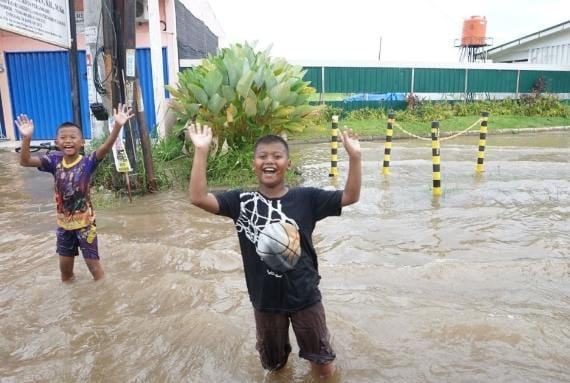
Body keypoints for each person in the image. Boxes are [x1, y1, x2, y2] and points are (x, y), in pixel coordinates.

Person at [187, 122, 361, 378]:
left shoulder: (307, 198)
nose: (270, 161)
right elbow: (198, 197)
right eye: (263, 156)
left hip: (305, 297)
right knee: (274, 368)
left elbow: (350, 196)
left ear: (288, 164)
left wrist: (355, 158)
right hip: (265, 301)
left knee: (323, 366)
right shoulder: (241, 202)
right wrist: (201, 151)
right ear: (254, 163)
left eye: (277, 156)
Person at [16, 104, 134, 282]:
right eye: (63, 137)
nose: (68, 140)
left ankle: (104, 300)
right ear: (57, 143)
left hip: (86, 225)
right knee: (65, 272)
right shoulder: (53, 161)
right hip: (64, 227)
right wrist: (27, 138)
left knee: (95, 270)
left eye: (73, 137)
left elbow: (105, 148)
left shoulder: (88, 162)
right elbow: (25, 161)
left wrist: (117, 126)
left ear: (82, 142)